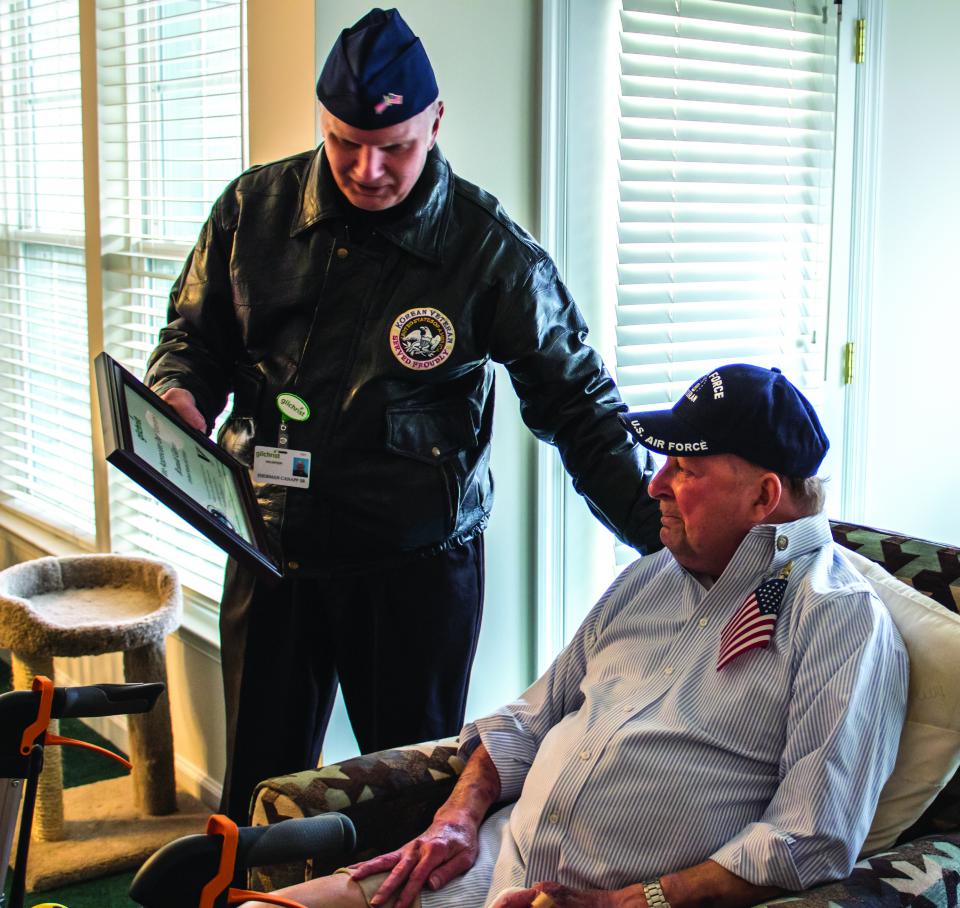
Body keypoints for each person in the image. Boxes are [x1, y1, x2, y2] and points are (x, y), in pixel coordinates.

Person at [143, 7, 662, 821]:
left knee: (406, 794)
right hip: (270, 543)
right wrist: (179, 390)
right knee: (259, 787)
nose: (367, 168)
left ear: (436, 121)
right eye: (345, 142)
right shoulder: (252, 210)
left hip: (413, 571)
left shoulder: (488, 250)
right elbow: (193, 338)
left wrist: (658, 525)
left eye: (395, 147)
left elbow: (578, 400)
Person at [247, 363, 908, 908]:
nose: (654, 486)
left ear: (764, 498)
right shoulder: (647, 580)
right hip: (481, 870)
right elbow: (526, 723)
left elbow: (809, 838)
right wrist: (456, 817)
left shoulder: (839, 621)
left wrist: (625, 903)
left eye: (685, 470)